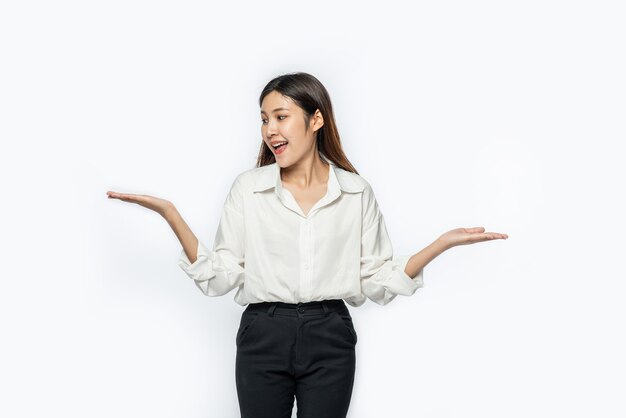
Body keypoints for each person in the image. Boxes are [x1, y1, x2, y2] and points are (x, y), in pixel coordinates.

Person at [106, 72, 508, 418]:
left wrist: (440, 244)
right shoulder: (249, 189)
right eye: (265, 119)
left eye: (281, 117)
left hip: (330, 334)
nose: (270, 130)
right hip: (263, 332)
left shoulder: (354, 192)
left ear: (316, 119)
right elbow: (221, 275)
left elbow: (375, 279)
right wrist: (171, 215)